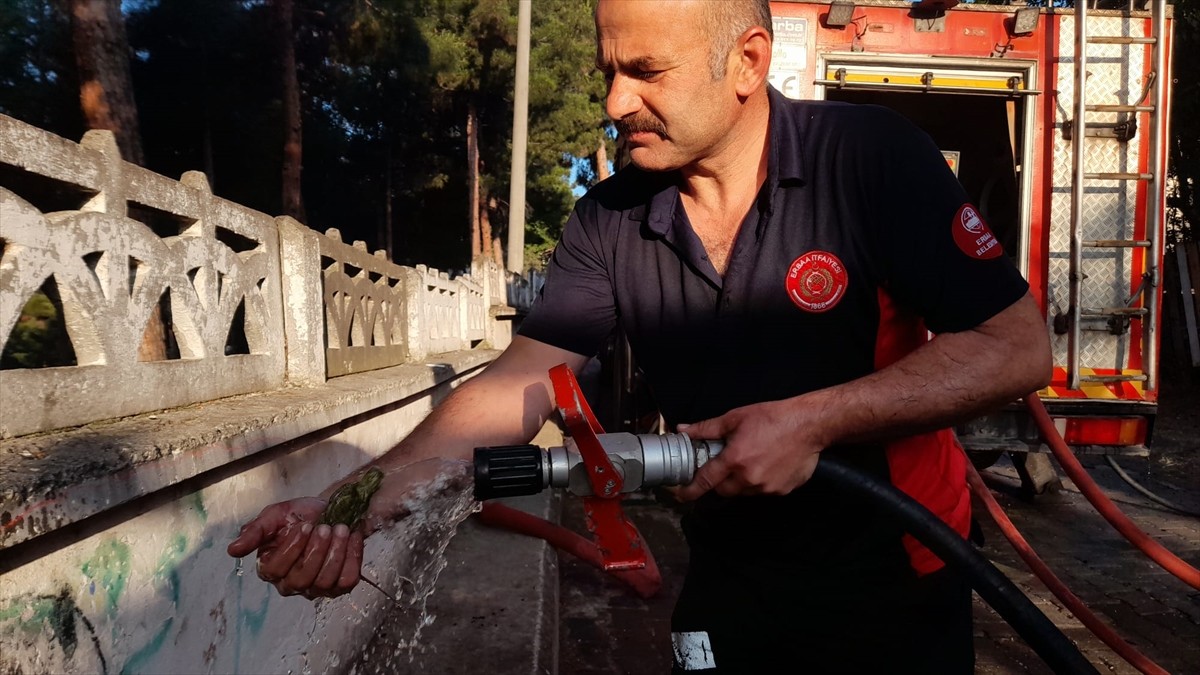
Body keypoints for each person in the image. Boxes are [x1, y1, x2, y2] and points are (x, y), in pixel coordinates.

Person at [228, 0, 1052, 672]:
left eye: (646, 72)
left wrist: (816, 420)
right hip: (731, 571)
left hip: (896, 574)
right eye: (609, 73)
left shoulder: (869, 162)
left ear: (748, 62)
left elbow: (1017, 347)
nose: (616, 102)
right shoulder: (612, 219)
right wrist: (349, 505)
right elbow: (519, 380)